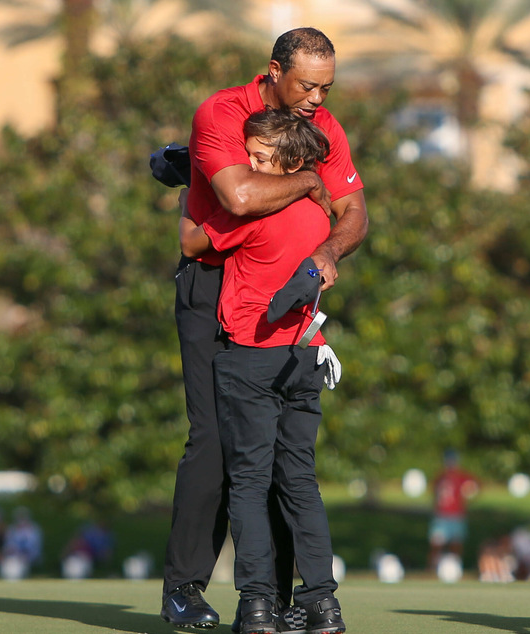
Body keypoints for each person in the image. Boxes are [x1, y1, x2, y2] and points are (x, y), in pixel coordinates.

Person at [162, 26, 367, 631]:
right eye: (307, 85)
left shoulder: (325, 128)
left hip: (283, 282)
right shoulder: (223, 111)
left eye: (327, 87)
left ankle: (274, 600)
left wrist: (328, 252)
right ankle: (184, 588)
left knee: (279, 453)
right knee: (215, 442)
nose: (317, 100)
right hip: (213, 283)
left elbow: (353, 211)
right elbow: (240, 195)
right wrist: (308, 182)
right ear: (274, 71)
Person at [180, 107, 345, 634]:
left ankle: (258, 606)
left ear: (292, 162)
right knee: (300, 483)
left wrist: (188, 186)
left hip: (252, 355)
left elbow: (192, 242)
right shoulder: (321, 218)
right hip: (306, 356)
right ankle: (321, 604)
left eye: (259, 157)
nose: (248, 166)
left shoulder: (253, 212)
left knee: (248, 483)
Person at [427, 449, 479, 571]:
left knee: (456, 545)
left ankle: (454, 568)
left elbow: (474, 487)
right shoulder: (441, 476)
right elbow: (434, 493)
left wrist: (468, 499)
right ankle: (431, 569)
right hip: (442, 515)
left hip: (456, 515)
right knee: (436, 545)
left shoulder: (461, 476)